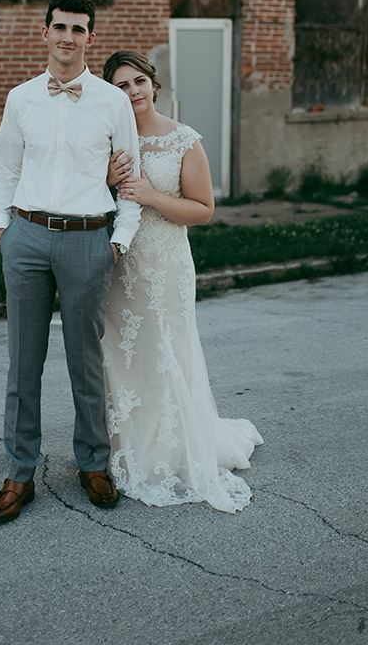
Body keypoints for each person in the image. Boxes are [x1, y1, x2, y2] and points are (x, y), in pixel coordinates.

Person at [0, 0, 142, 525]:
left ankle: (93, 464)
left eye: (79, 29)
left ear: (90, 39)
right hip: (26, 237)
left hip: (86, 240)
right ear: (44, 32)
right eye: (60, 27)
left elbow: (132, 180)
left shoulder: (111, 103)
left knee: (86, 362)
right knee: (23, 364)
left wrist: (118, 239)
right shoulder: (20, 98)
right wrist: (2, 224)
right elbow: (5, 167)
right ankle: (19, 472)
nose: (68, 37)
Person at [102, 50, 263, 512]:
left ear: (153, 84)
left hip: (165, 264)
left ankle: (171, 449)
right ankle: (124, 446)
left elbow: (204, 209)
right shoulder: (109, 138)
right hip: (119, 265)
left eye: (137, 82)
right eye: (120, 86)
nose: (131, 93)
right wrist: (105, 180)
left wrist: (152, 196)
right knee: (122, 354)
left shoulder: (182, 140)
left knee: (166, 349)